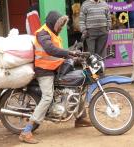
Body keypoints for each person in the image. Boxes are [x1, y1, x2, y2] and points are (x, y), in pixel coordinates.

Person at [19, 11, 91, 144]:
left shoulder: (53, 33)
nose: (61, 27)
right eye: (60, 24)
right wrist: (69, 53)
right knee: (47, 97)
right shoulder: (43, 33)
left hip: (55, 67)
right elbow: (50, 49)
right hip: (44, 70)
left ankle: (80, 118)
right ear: (53, 23)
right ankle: (26, 131)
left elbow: (59, 52)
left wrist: (74, 54)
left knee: (77, 86)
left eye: (63, 24)